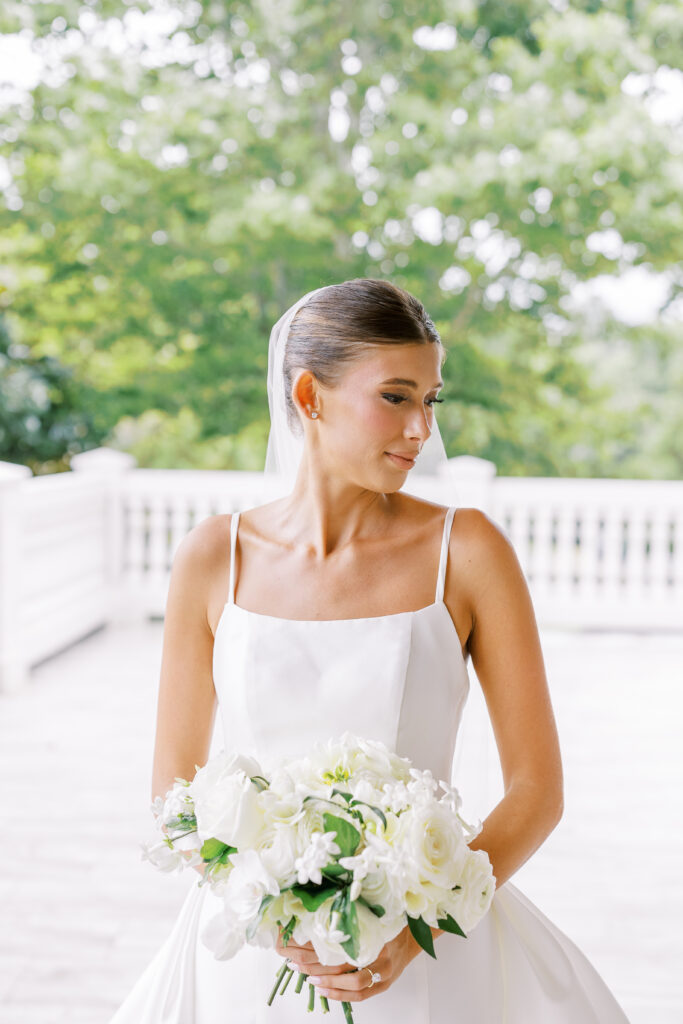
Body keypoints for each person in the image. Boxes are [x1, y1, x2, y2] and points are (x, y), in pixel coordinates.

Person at [109, 278, 631, 1022]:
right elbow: (175, 800)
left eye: (431, 399)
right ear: (308, 395)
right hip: (248, 959)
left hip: (433, 953)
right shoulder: (212, 557)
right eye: (395, 396)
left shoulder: (468, 551)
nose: (420, 428)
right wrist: (281, 914)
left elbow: (536, 792)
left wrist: (416, 926)